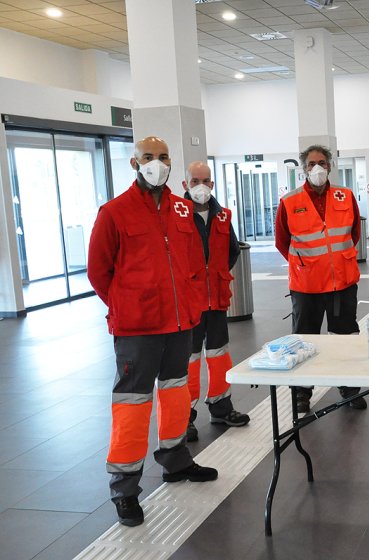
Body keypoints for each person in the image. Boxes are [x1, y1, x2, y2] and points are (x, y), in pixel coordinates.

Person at [88, 137, 218, 528]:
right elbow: (98, 270)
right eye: (149, 157)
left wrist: (192, 303)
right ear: (134, 163)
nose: (156, 164)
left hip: (180, 324)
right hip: (138, 328)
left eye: (163, 157)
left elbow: (196, 261)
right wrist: (125, 305)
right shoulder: (114, 212)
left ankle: (175, 461)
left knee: (177, 394)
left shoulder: (181, 209)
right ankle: (125, 489)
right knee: (132, 403)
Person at [274, 145, 366, 414]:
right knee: (303, 340)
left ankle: (349, 389)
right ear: (303, 168)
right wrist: (305, 263)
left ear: (330, 166)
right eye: (312, 163)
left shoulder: (345, 195)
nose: (318, 168)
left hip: (343, 282)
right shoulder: (289, 201)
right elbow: (282, 242)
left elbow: (354, 234)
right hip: (307, 284)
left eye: (322, 162)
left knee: (346, 337)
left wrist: (336, 260)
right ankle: (301, 393)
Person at [181, 161, 250, 441]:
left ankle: (221, 406)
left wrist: (217, 274)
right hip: (190, 301)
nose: (201, 186)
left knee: (219, 354)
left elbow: (232, 250)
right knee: (189, 359)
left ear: (212, 183)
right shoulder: (178, 215)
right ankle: (184, 416)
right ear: (185, 184)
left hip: (217, 299)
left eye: (206, 180)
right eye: (195, 180)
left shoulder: (223, 216)